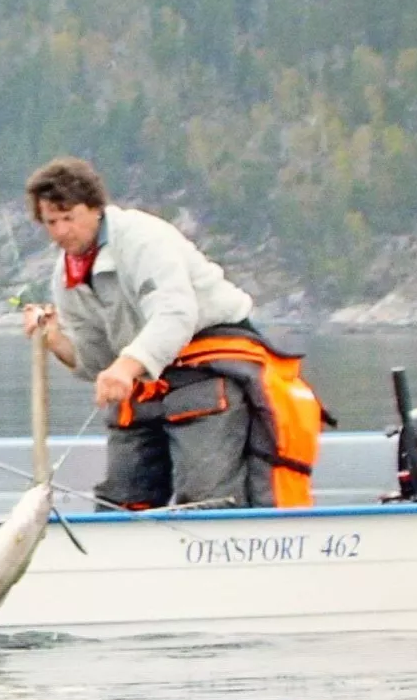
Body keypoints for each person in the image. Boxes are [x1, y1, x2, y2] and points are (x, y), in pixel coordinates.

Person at [20, 157, 326, 510]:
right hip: (147, 377)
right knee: (121, 499)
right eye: (50, 222)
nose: (60, 232)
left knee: (206, 496)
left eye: (68, 217)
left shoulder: (141, 239)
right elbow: (97, 360)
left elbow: (175, 315)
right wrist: (55, 339)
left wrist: (125, 367)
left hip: (209, 363)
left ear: (94, 208)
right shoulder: (67, 276)